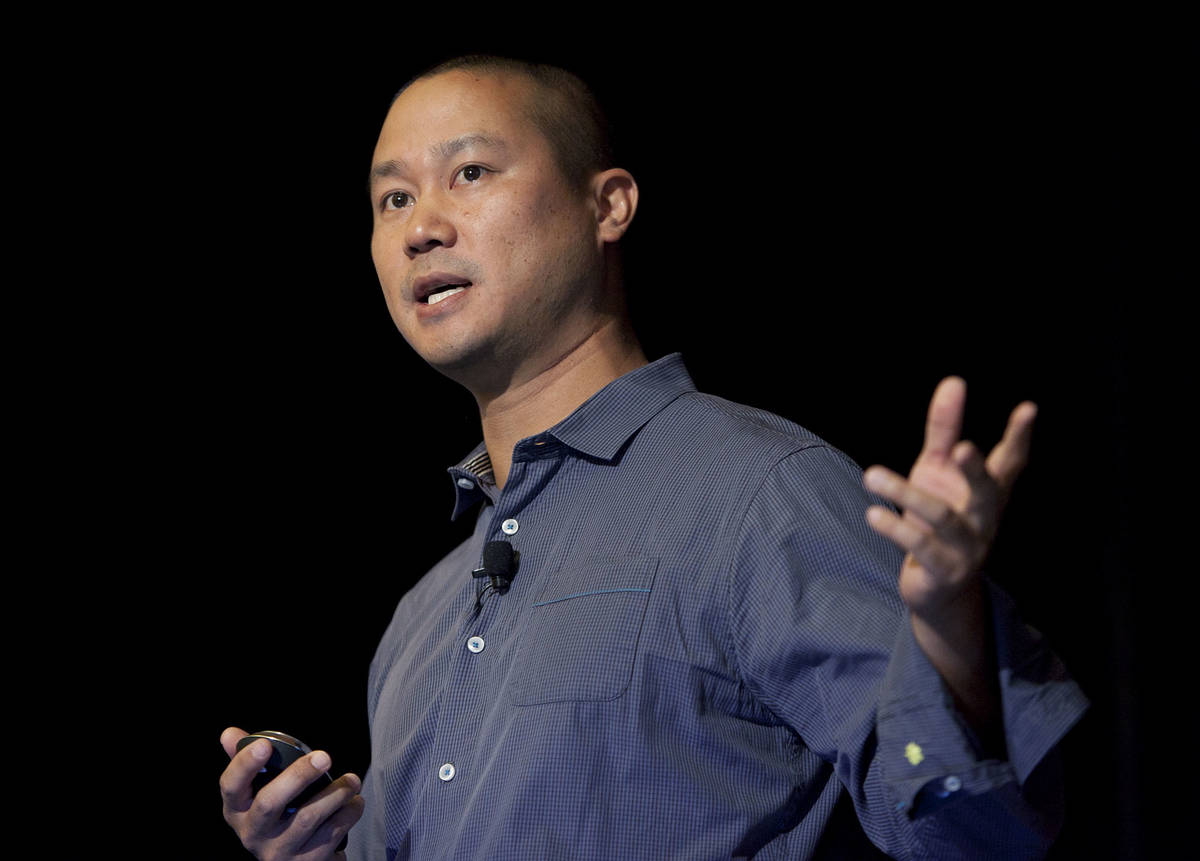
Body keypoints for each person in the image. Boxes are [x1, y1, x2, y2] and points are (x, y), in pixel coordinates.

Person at [219, 55, 1088, 859]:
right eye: (392, 200)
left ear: (609, 206)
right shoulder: (422, 618)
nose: (421, 229)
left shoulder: (755, 488)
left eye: (470, 173)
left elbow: (974, 835)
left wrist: (950, 633)